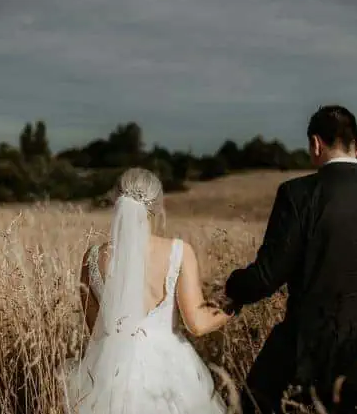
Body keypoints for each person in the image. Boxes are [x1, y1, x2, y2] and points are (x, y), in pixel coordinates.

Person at [223, 105, 357, 414]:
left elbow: (266, 278)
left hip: (310, 357)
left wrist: (231, 286)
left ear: (315, 144)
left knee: (249, 405)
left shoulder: (297, 194)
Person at [66, 167, 233, 414]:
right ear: (157, 206)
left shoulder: (91, 258)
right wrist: (234, 306)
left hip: (110, 374)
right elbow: (196, 324)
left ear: (117, 201)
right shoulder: (178, 251)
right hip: (170, 370)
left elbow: (97, 332)